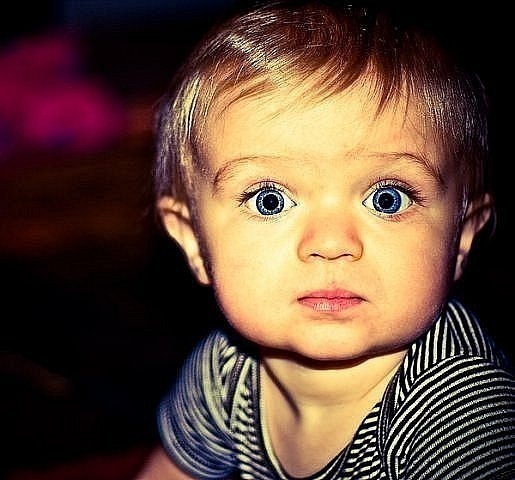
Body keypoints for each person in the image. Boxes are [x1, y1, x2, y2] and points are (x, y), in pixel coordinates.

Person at [135, 0, 515, 478]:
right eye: (270, 200)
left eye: (387, 199)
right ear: (193, 240)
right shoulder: (225, 369)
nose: (332, 243)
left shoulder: (456, 412)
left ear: (461, 237)